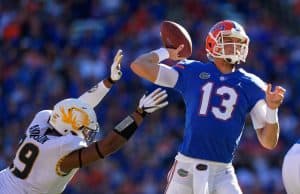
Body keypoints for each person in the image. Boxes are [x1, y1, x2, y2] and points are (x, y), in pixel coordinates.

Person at [130, 20, 286, 194]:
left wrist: (272, 109)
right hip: (186, 166)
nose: (236, 46)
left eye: (238, 42)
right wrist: (166, 52)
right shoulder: (193, 71)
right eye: (229, 41)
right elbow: (139, 66)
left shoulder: (253, 85)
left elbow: (268, 142)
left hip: (222, 171)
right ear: (213, 43)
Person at [0, 50, 168, 194]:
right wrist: (139, 113)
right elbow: (107, 146)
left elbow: (77, 108)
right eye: (82, 129)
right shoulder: (62, 149)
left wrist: (108, 81)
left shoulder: (43, 119)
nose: (86, 132)